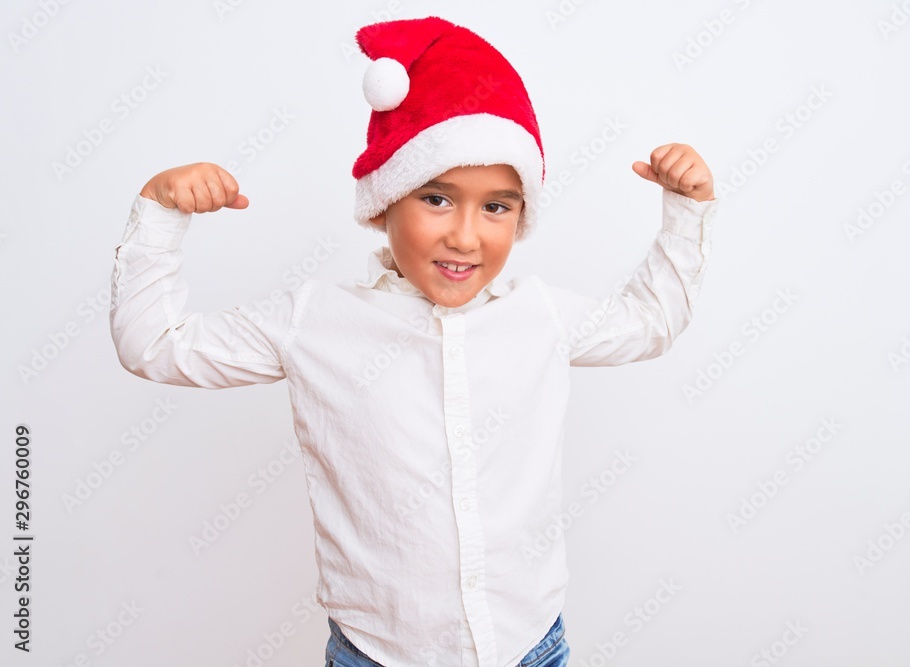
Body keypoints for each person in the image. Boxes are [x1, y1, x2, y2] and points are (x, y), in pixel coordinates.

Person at [109, 15, 720, 667]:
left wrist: (687, 211)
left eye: (497, 206)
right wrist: (160, 215)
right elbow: (157, 343)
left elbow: (652, 322)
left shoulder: (538, 315)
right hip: (378, 654)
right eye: (436, 197)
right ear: (384, 202)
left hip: (528, 645)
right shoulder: (316, 321)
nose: (465, 235)